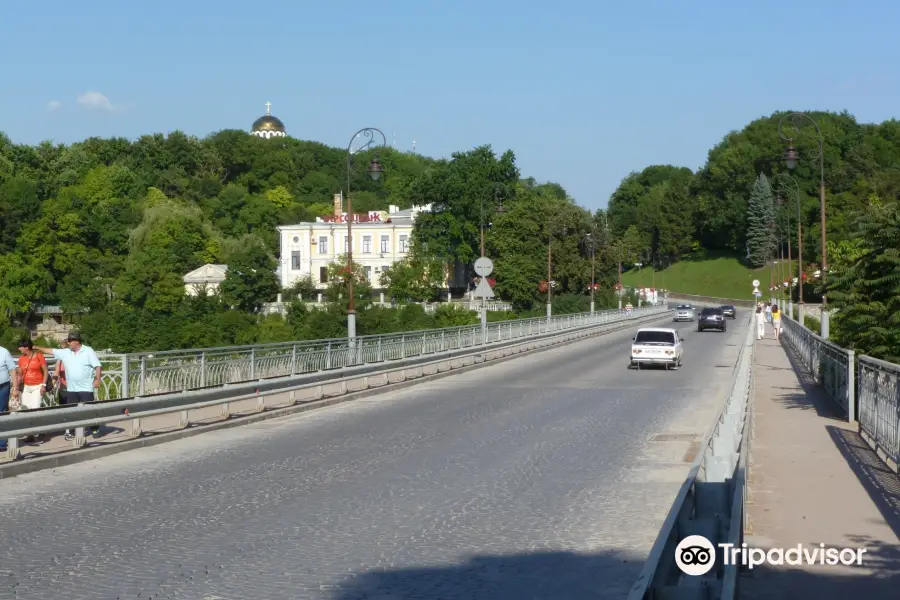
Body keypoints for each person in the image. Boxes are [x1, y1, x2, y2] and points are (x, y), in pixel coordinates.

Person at [34, 332, 102, 441]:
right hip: (71, 388)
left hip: (86, 388)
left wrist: (98, 379)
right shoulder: (66, 352)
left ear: (77, 342)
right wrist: (36, 347)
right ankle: (76, 431)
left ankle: (94, 428)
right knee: (73, 411)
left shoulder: (88, 351)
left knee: (88, 411)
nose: (68, 343)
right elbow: (50, 351)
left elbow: (97, 365)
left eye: (70, 342)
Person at [0, 344, 20, 452]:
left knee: (2, 413)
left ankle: (1, 443)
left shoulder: (4, 352)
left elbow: (13, 370)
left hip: (2, 386)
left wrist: (15, 388)